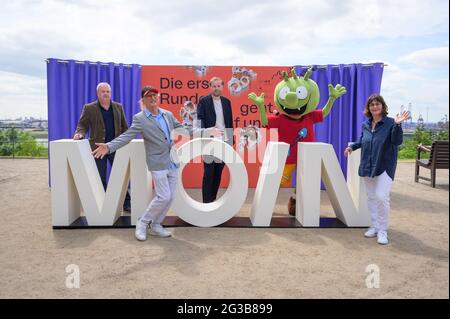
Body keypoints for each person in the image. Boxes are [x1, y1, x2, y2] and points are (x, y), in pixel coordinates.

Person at [92, 85, 221, 241]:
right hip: (157, 162)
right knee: (164, 196)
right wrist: (109, 146)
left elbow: (185, 130)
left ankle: (156, 225)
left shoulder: (167, 114)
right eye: (149, 96)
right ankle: (143, 222)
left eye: (155, 95)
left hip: (172, 161)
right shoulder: (139, 118)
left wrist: (207, 131)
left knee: (171, 196)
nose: (153, 98)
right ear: (144, 100)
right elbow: (127, 136)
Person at [344, 94, 410, 245]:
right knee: (371, 197)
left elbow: (397, 141)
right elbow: (363, 140)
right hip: (368, 165)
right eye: (372, 104)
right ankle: (374, 225)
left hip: (385, 165)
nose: (375, 106)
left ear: (382, 106)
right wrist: (352, 147)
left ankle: (383, 230)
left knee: (381, 197)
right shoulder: (366, 124)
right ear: (368, 108)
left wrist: (398, 125)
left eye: (377, 104)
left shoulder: (391, 123)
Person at [73, 82, 131, 212]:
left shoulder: (118, 107)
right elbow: (82, 125)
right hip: (98, 148)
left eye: (108, 92)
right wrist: (79, 133)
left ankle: (126, 203)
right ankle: (105, 202)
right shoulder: (89, 108)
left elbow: (124, 127)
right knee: (100, 177)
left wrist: (127, 140)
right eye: (103, 91)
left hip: (115, 147)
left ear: (110, 93)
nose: (106, 94)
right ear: (98, 93)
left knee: (121, 176)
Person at [195, 77, 234, 203]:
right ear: (210, 87)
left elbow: (229, 122)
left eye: (218, 86)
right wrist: (204, 136)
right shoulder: (203, 101)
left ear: (222, 87)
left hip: (224, 142)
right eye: (214, 86)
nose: (216, 88)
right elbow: (200, 120)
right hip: (209, 142)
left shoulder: (227, 102)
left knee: (218, 173)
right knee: (209, 173)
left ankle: (213, 200)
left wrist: (230, 141)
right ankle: (206, 203)